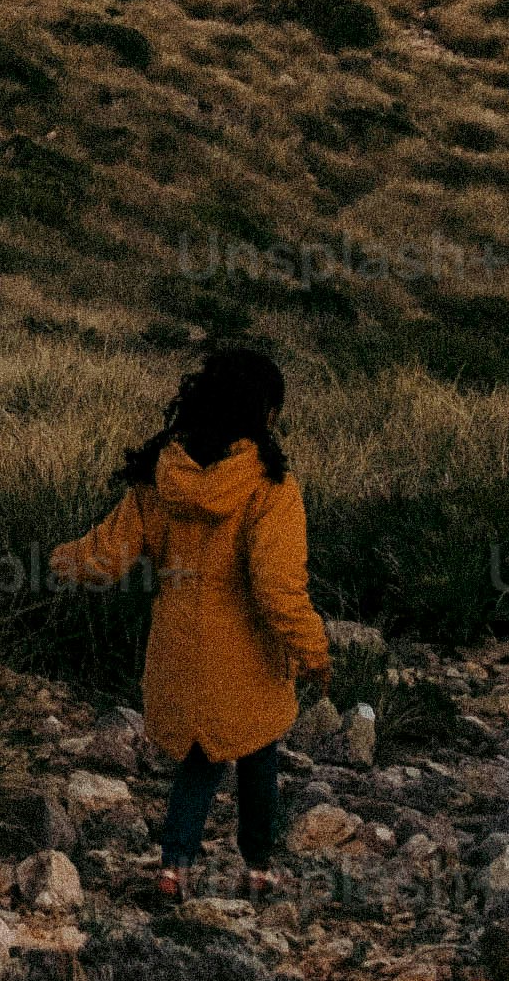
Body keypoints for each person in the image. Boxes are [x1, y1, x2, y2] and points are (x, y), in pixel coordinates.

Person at [56, 346, 327, 907]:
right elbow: (277, 588)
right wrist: (313, 650)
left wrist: (51, 560)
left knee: (198, 761)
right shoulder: (270, 488)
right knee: (259, 755)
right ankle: (258, 870)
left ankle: (172, 873)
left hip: (179, 652)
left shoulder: (162, 481)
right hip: (247, 657)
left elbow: (105, 555)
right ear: (263, 412)